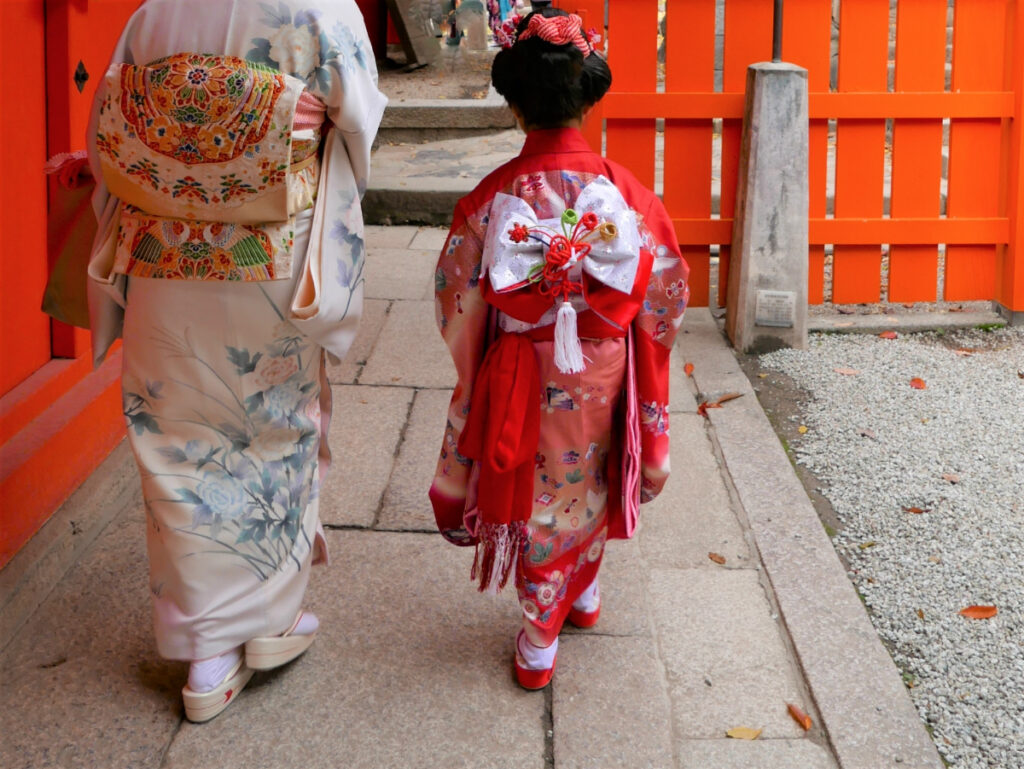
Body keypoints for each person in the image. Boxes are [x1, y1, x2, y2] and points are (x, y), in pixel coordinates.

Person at [84, 0, 386, 721]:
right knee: (271, 428)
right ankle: (266, 621)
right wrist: (278, 116)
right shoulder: (319, 10)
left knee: (174, 436)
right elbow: (360, 118)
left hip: (163, 255)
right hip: (267, 252)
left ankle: (203, 651)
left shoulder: (153, 14)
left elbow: (112, 125)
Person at [429, 8, 689, 689]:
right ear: (588, 97)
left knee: (542, 493)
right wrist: (640, 359)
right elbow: (663, 303)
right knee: (591, 480)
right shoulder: (630, 199)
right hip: (605, 369)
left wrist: (481, 355)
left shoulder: (489, 201)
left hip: (521, 370)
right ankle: (582, 588)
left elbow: (454, 299)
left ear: (513, 104)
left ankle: (540, 631)